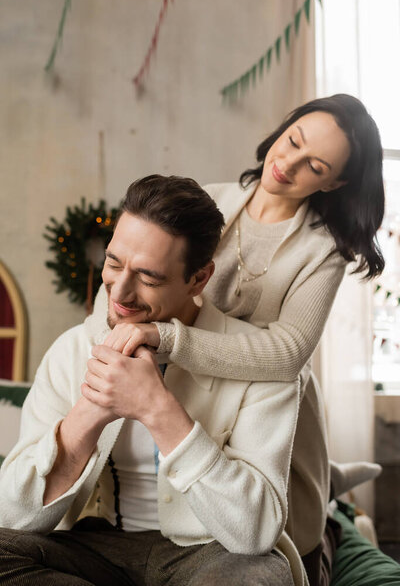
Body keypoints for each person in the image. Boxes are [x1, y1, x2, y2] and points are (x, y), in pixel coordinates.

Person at [98, 94, 385, 585]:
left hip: (267, 404)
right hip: (189, 391)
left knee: (290, 525)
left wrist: (167, 338)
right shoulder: (214, 199)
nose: (286, 164)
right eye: (291, 140)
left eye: (313, 165)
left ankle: (331, 490)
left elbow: (288, 353)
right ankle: (336, 478)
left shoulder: (324, 251)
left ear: (333, 182)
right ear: (283, 127)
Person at [0, 175, 307, 586]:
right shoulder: (71, 351)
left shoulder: (260, 362)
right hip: (92, 547)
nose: (120, 292)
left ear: (199, 279)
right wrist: (90, 411)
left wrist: (156, 409)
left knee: (260, 577)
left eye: (148, 277)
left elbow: (254, 533)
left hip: (209, 553)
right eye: (113, 263)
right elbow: (12, 516)